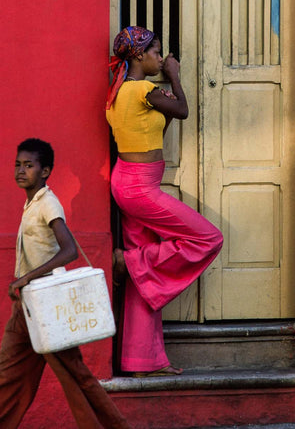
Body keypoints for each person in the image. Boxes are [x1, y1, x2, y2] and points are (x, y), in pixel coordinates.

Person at [106, 26, 223, 377]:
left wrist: (167, 91)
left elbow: (159, 128)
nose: (160, 57)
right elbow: (183, 110)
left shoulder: (120, 93)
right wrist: (174, 76)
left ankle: (141, 362)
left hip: (129, 183)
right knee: (207, 238)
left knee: (145, 278)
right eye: (157, 52)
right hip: (141, 189)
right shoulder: (144, 89)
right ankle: (128, 261)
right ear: (139, 56)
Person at [0, 138, 131, 428]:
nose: (21, 170)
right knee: (7, 375)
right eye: (17, 165)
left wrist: (25, 278)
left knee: (76, 378)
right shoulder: (31, 202)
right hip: (27, 307)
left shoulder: (47, 202)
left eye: (29, 165)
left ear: (45, 171)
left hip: (48, 306)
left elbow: (69, 250)